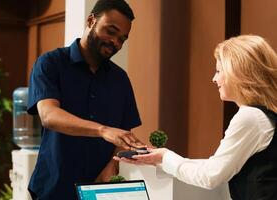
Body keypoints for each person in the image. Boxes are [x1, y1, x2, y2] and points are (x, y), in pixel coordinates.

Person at [115, 35, 277, 199]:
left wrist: (165, 156)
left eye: (219, 71)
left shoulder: (250, 117)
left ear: (237, 73)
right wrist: (161, 159)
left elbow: (210, 176)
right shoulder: (267, 116)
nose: (214, 79)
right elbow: (219, 165)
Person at [26, 0, 145, 199]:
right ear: (91, 20)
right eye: (111, 31)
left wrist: (113, 165)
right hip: (53, 189)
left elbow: (125, 134)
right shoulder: (50, 63)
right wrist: (103, 130)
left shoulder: (120, 79)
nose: (116, 42)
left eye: (122, 39)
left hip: (100, 191)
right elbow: (49, 115)